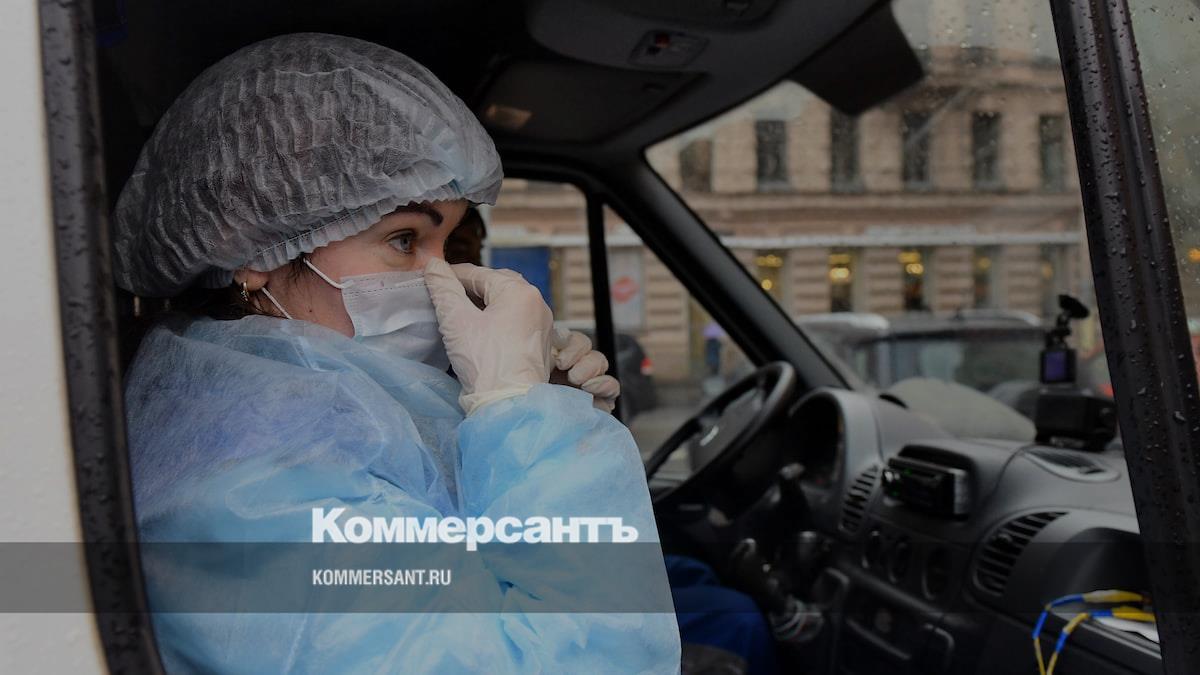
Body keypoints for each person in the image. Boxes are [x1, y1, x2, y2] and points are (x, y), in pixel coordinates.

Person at [114, 33, 672, 673]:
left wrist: (533, 420)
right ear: (251, 246)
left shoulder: (303, 417)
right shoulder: (254, 486)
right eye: (405, 239)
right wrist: (530, 430)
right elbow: (588, 658)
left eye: (449, 244)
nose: (440, 280)